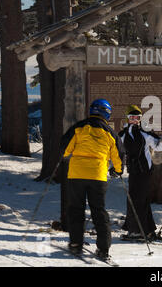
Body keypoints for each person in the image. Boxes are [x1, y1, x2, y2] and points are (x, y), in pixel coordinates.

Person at [60, 99, 122, 261]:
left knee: (76, 209)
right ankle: (103, 249)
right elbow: (119, 155)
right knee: (99, 211)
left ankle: (75, 243)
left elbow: (65, 148)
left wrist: (65, 155)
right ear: (106, 113)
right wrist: (117, 170)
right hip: (98, 176)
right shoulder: (110, 132)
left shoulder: (79, 127)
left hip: (77, 175)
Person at [118, 104, 162, 241]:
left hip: (145, 171)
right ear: (127, 118)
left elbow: (157, 146)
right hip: (133, 171)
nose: (135, 120)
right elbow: (116, 149)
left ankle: (139, 231)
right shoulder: (123, 135)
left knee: (140, 199)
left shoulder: (144, 133)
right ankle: (144, 230)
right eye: (132, 117)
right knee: (133, 199)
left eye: (137, 117)